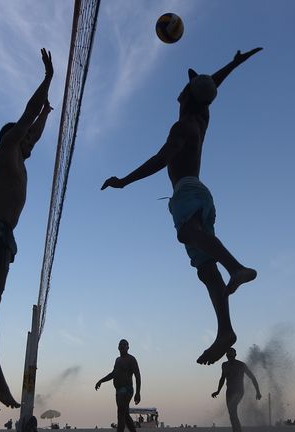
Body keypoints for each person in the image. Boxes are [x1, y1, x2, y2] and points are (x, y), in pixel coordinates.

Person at [101, 48, 263, 365]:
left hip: (186, 191)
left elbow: (161, 159)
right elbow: (209, 86)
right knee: (205, 268)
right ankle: (226, 330)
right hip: (200, 192)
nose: (177, 97)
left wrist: (125, 180)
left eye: (181, 94)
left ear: (188, 97)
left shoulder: (183, 126)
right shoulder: (202, 117)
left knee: (189, 231)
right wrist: (232, 63)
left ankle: (236, 268)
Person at [0, 48, 54, 413]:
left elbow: (34, 125)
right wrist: (47, 80)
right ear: (12, 137)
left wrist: (47, 114)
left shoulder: (19, 156)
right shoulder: (5, 149)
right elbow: (26, 118)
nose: (30, 140)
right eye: (24, 137)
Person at [95, 339, 141, 432]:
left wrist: (138, 393)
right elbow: (113, 374)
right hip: (118, 390)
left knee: (120, 413)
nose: (122, 346)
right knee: (125, 414)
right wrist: (101, 381)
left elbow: (137, 376)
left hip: (127, 390)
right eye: (121, 345)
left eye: (124, 345)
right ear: (118, 347)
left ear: (128, 347)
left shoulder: (131, 359)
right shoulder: (118, 360)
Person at [211, 348, 261, 432]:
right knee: (232, 413)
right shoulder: (224, 365)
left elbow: (252, 377)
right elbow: (222, 378)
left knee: (232, 409)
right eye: (228, 356)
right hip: (229, 391)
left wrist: (258, 391)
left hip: (239, 391)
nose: (229, 357)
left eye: (231, 355)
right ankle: (236, 430)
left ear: (235, 355)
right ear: (226, 356)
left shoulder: (241, 365)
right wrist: (218, 391)